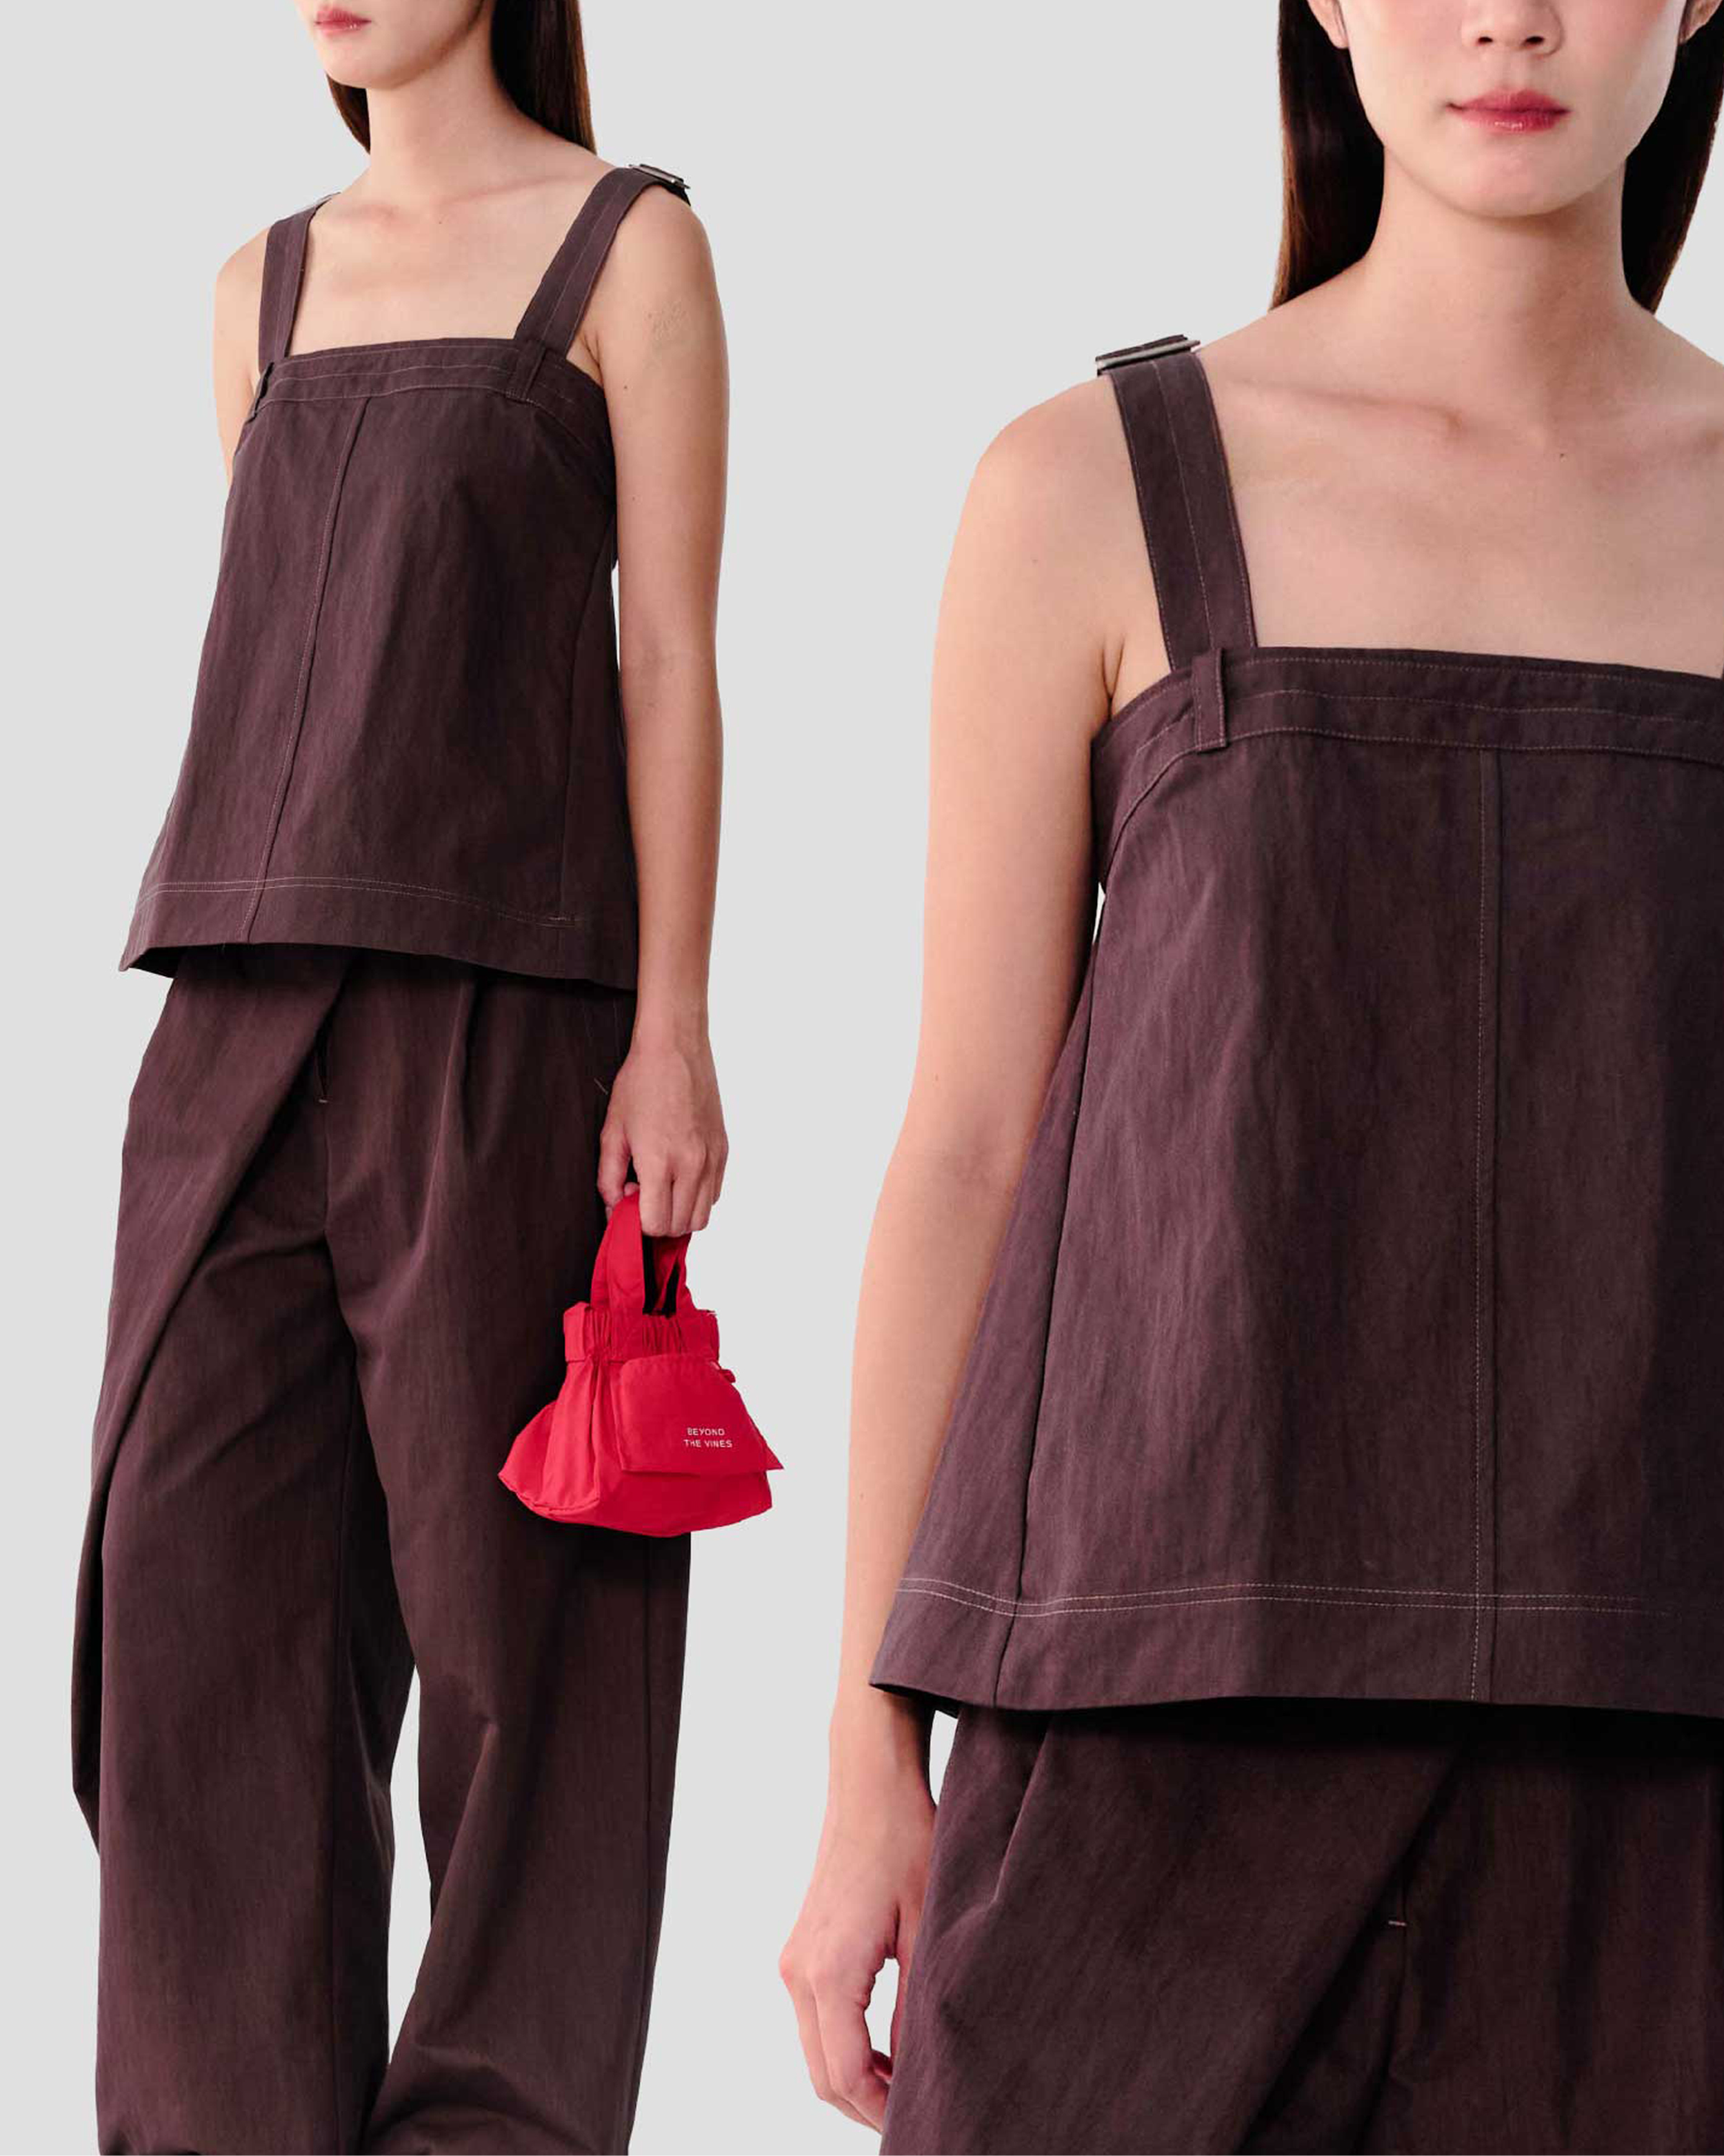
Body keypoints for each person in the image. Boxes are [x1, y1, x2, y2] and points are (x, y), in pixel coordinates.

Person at [781, 3, 1724, 2150]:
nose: (1505, 16)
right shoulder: (1081, 487)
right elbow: (967, 1148)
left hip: (1655, 1764)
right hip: (1136, 1745)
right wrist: (863, 1750)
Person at [70, 2, 728, 2148]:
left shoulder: (629, 245)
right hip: (231, 1015)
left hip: (511, 1005)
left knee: (532, 1646)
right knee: (192, 1633)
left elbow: (668, 656)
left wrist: (671, 1024)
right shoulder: (255, 286)